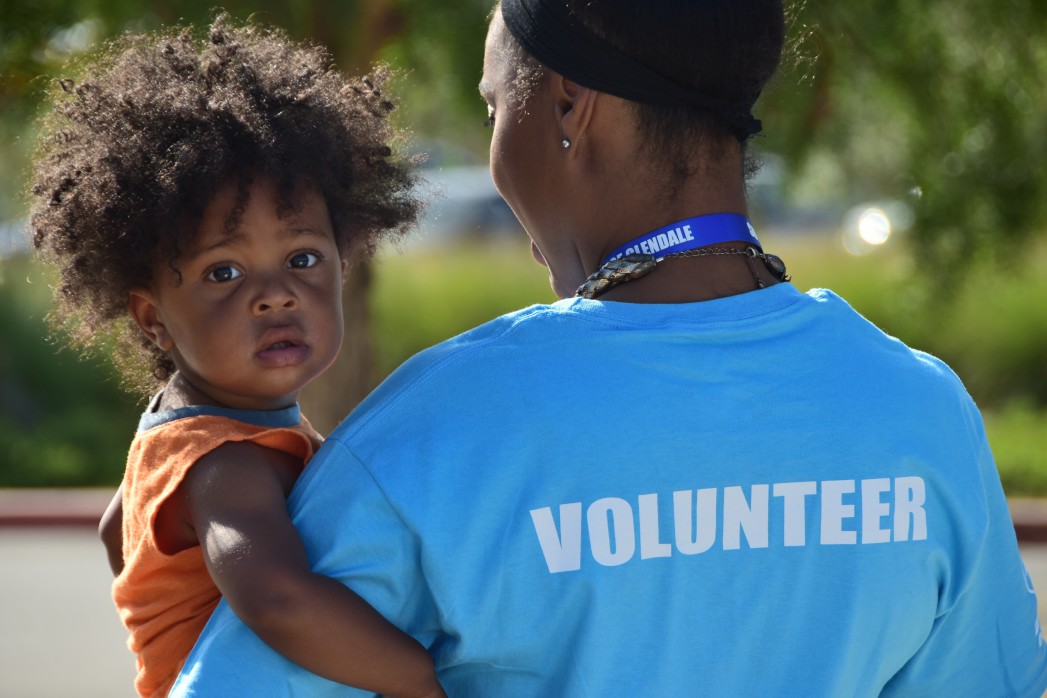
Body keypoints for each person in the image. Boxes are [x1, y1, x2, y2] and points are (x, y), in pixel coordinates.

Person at [172, 1, 1047, 696]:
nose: (491, 145)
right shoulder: (920, 411)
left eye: (489, 105)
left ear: (562, 102)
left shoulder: (432, 431)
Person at [28, 14, 445, 698]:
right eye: (225, 273)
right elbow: (277, 598)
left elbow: (116, 530)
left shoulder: (178, 429)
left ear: (344, 263)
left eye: (302, 259)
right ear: (152, 318)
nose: (275, 296)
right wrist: (428, 682)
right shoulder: (225, 460)